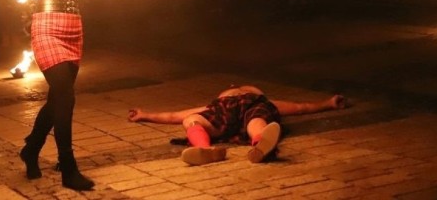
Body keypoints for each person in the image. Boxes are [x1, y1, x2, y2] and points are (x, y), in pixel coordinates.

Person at [19, 0, 109, 191]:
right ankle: (68, 167)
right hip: (46, 25)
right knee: (65, 95)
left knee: (59, 96)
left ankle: (31, 148)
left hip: (73, 26)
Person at [127, 84, 347, 166]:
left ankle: (261, 145)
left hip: (253, 108)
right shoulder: (217, 103)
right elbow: (174, 115)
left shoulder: (261, 101)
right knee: (190, 120)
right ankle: (206, 150)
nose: (237, 88)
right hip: (223, 110)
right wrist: (145, 114)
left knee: (257, 121)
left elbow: (301, 107)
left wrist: (328, 103)